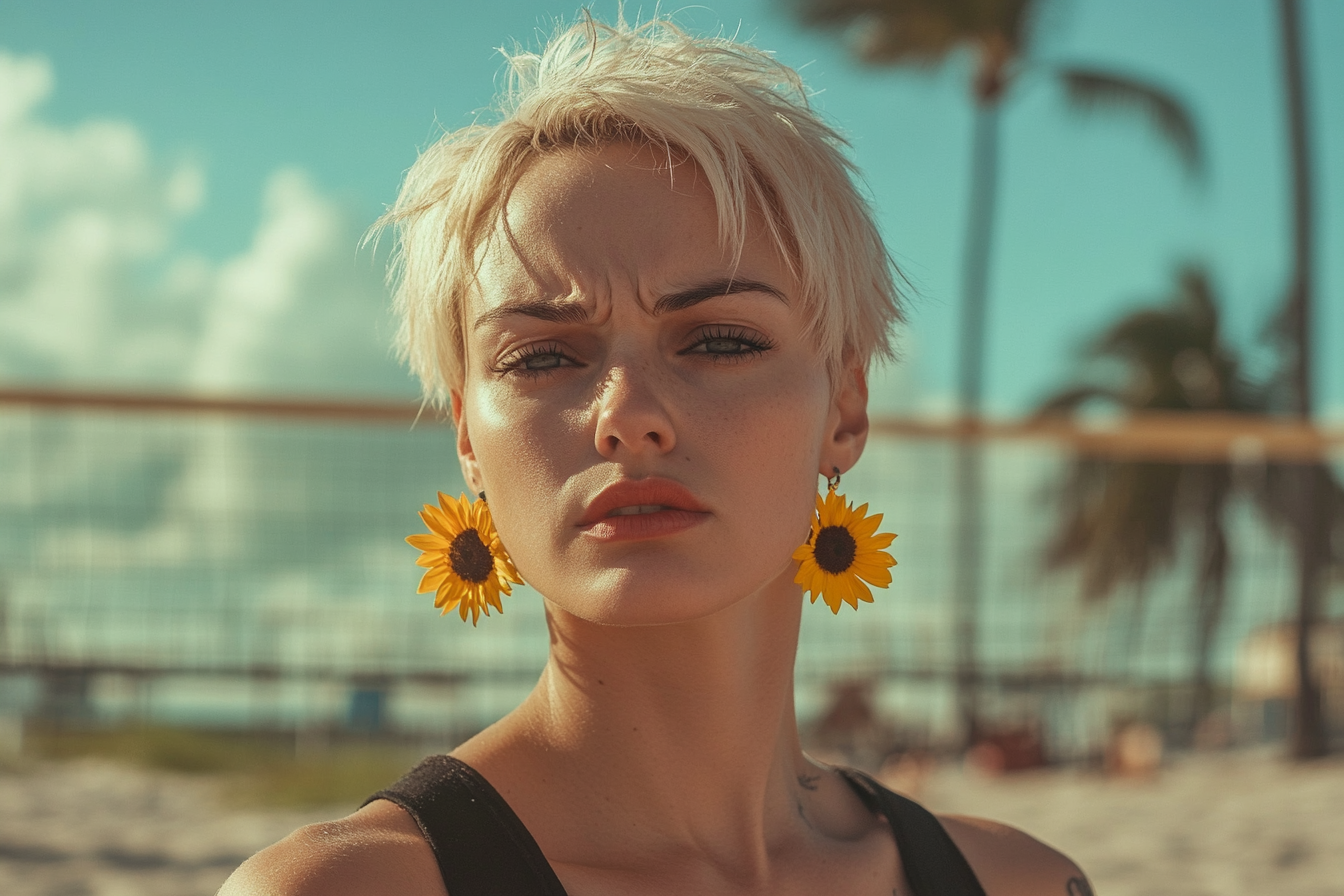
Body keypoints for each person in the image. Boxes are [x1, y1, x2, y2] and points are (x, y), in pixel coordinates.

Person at [222, 14, 1091, 896]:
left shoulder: (1018, 882)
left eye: (718, 340)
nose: (627, 417)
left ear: (847, 407)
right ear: (466, 438)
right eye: (543, 357)